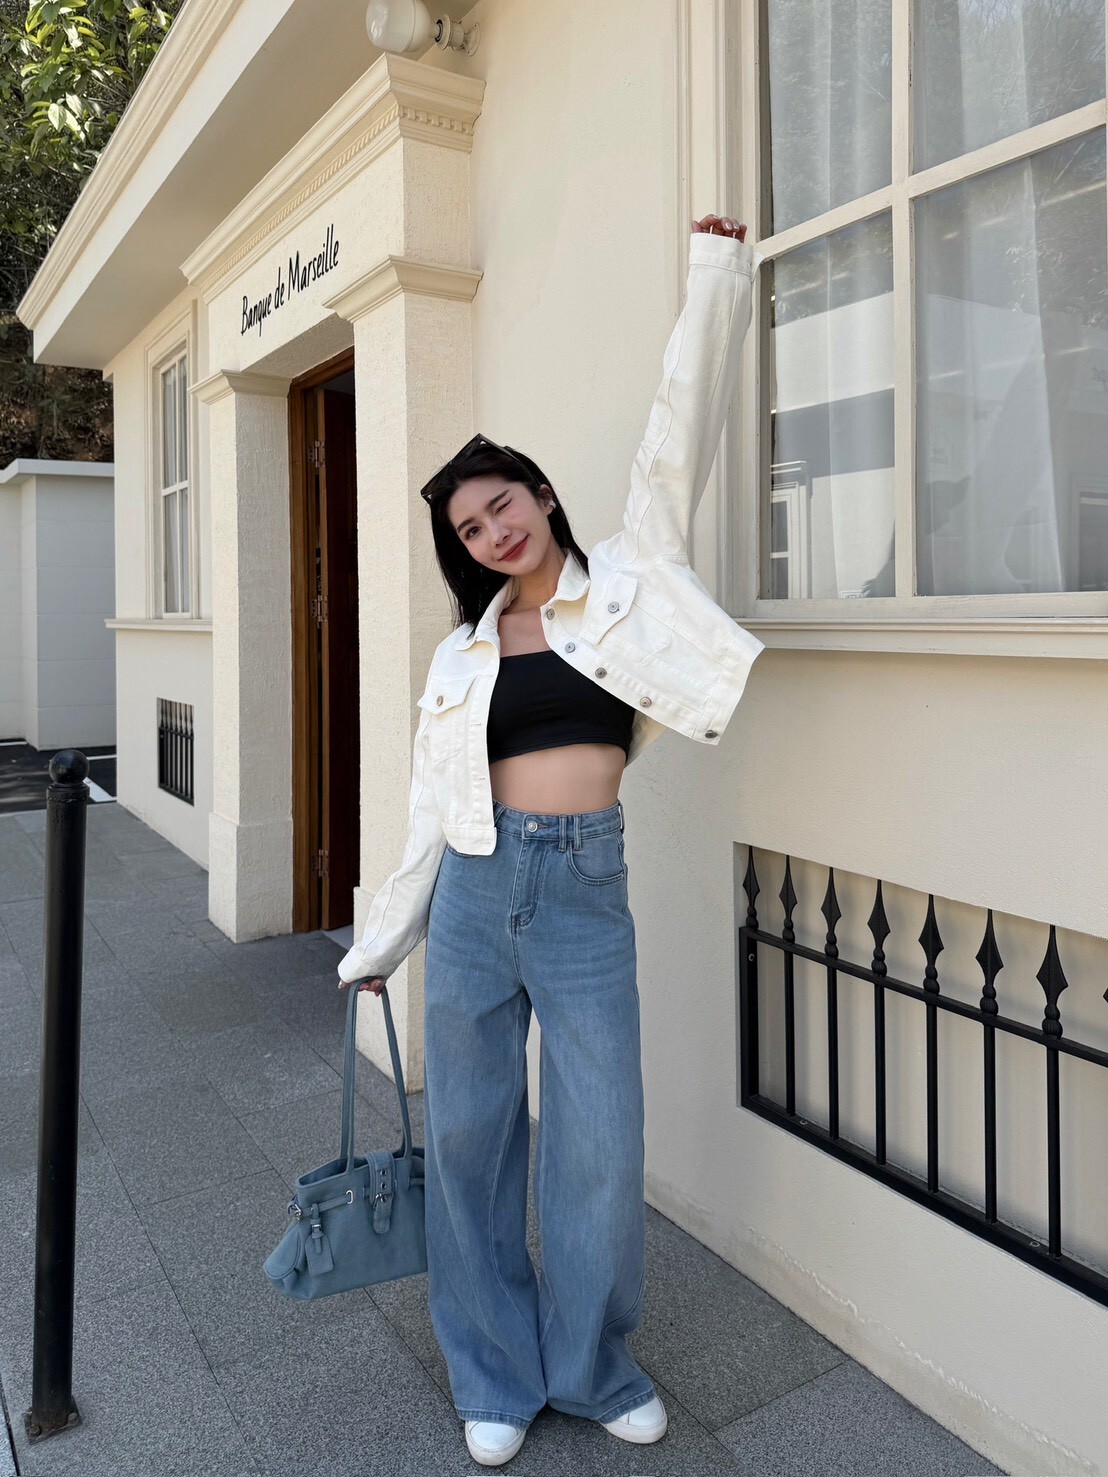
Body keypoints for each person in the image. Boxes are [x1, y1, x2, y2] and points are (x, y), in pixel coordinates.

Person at [338, 213, 764, 1468]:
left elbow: (677, 433)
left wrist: (713, 275)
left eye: (502, 505)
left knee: (597, 1146)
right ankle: (492, 1370)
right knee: (472, 1141)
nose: (493, 534)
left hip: (584, 886)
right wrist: (381, 943)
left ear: (540, 495)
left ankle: (590, 1366)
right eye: (470, 531)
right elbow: (427, 811)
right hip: (476, 895)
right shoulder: (461, 655)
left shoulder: (628, 579)